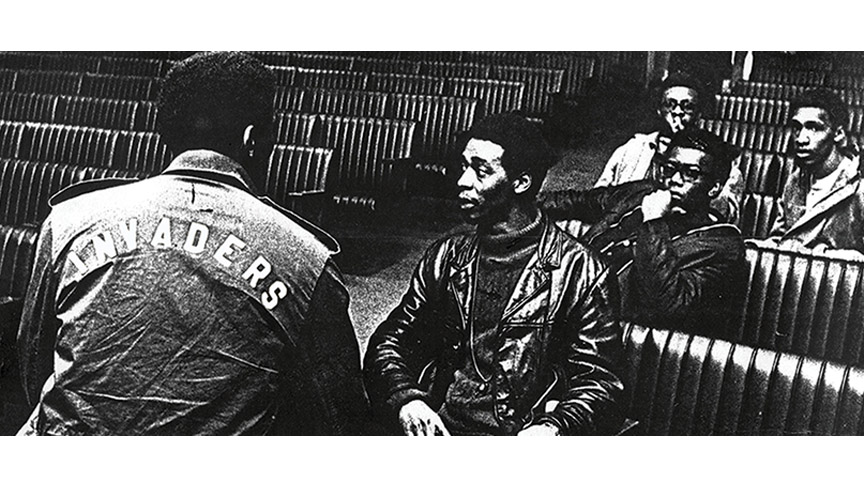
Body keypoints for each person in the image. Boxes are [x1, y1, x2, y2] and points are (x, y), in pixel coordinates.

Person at [16, 52, 369, 435]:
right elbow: (337, 417)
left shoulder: (69, 220)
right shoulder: (307, 259)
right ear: (252, 139)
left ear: (166, 133)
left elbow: (35, 367)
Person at [363, 114, 624, 436]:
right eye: (463, 167)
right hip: (438, 430)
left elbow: (601, 383)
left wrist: (553, 427)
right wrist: (407, 399)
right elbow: (389, 341)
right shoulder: (446, 256)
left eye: (481, 171)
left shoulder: (581, 271)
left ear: (521, 182)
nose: (462, 181)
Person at [540, 128, 746, 340]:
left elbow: (668, 305)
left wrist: (654, 223)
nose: (674, 179)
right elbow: (580, 201)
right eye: (670, 168)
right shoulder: (642, 192)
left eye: (691, 173)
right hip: (566, 300)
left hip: (616, 337)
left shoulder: (722, 246)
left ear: (715, 188)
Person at [768, 88, 864, 256]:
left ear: (838, 134)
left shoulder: (859, 188)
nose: (800, 139)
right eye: (797, 127)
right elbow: (779, 236)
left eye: (813, 128)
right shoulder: (795, 181)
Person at [594, 72, 704, 188]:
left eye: (687, 107)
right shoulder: (634, 148)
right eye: (670, 104)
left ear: (698, 115)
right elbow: (598, 195)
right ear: (659, 110)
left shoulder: (705, 157)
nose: (677, 112)